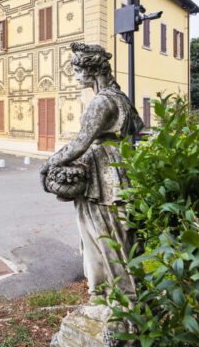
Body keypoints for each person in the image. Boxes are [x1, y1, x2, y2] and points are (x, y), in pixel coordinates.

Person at [40, 42, 143, 296]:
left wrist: (50, 163)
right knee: (119, 235)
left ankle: (119, 299)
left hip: (103, 171)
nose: (75, 77)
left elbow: (80, 143)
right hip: (119, 164)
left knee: (103, 234)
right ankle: (122, 296)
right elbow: (136, 127)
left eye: (77, 71)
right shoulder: (122, 98)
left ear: (92, 70)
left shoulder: (102, 102)